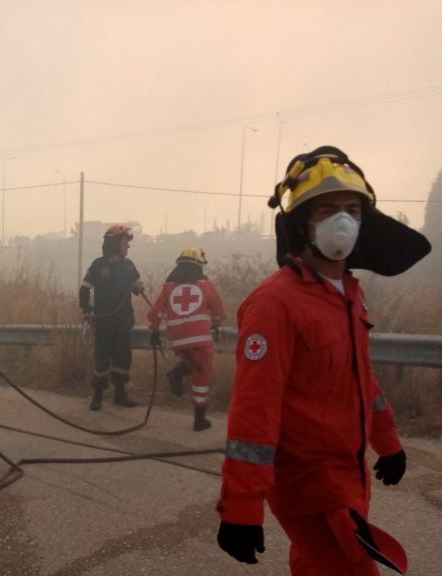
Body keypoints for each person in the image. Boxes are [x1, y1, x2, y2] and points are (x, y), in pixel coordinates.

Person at [216, 146, 430, 575]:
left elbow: (361, 380)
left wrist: (388, 443)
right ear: (301, 224)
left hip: (349, 475)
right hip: (310, 485)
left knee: (315, 566)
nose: (343, 220)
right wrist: (240, 505)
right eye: (327, 209)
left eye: (353, 208)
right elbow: (254, 410)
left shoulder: (348, 295)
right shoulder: (274, 304)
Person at [147, 247, 226, 431]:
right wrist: (216, 322)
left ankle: (177, 373)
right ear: (198, 265)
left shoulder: (168, 287)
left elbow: (155, 313)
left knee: (194, 363)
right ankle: (199, 420)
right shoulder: (205, 285)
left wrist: (155, 331)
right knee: (202, 373)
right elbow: (218, 310)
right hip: (200, 338)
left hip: (177, 341)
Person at [79, 225, 144, 411]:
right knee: (101, 361)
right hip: (104, 322)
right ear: (115, 244)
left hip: (123, 322)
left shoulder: (129, 266)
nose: (128, 247)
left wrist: (138, 286)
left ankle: (120, 394)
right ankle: (97, 396)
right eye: (125, 243)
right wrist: (86, 310)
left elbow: (137, 285)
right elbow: (85, 289)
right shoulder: (98, 265)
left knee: (123, 360)